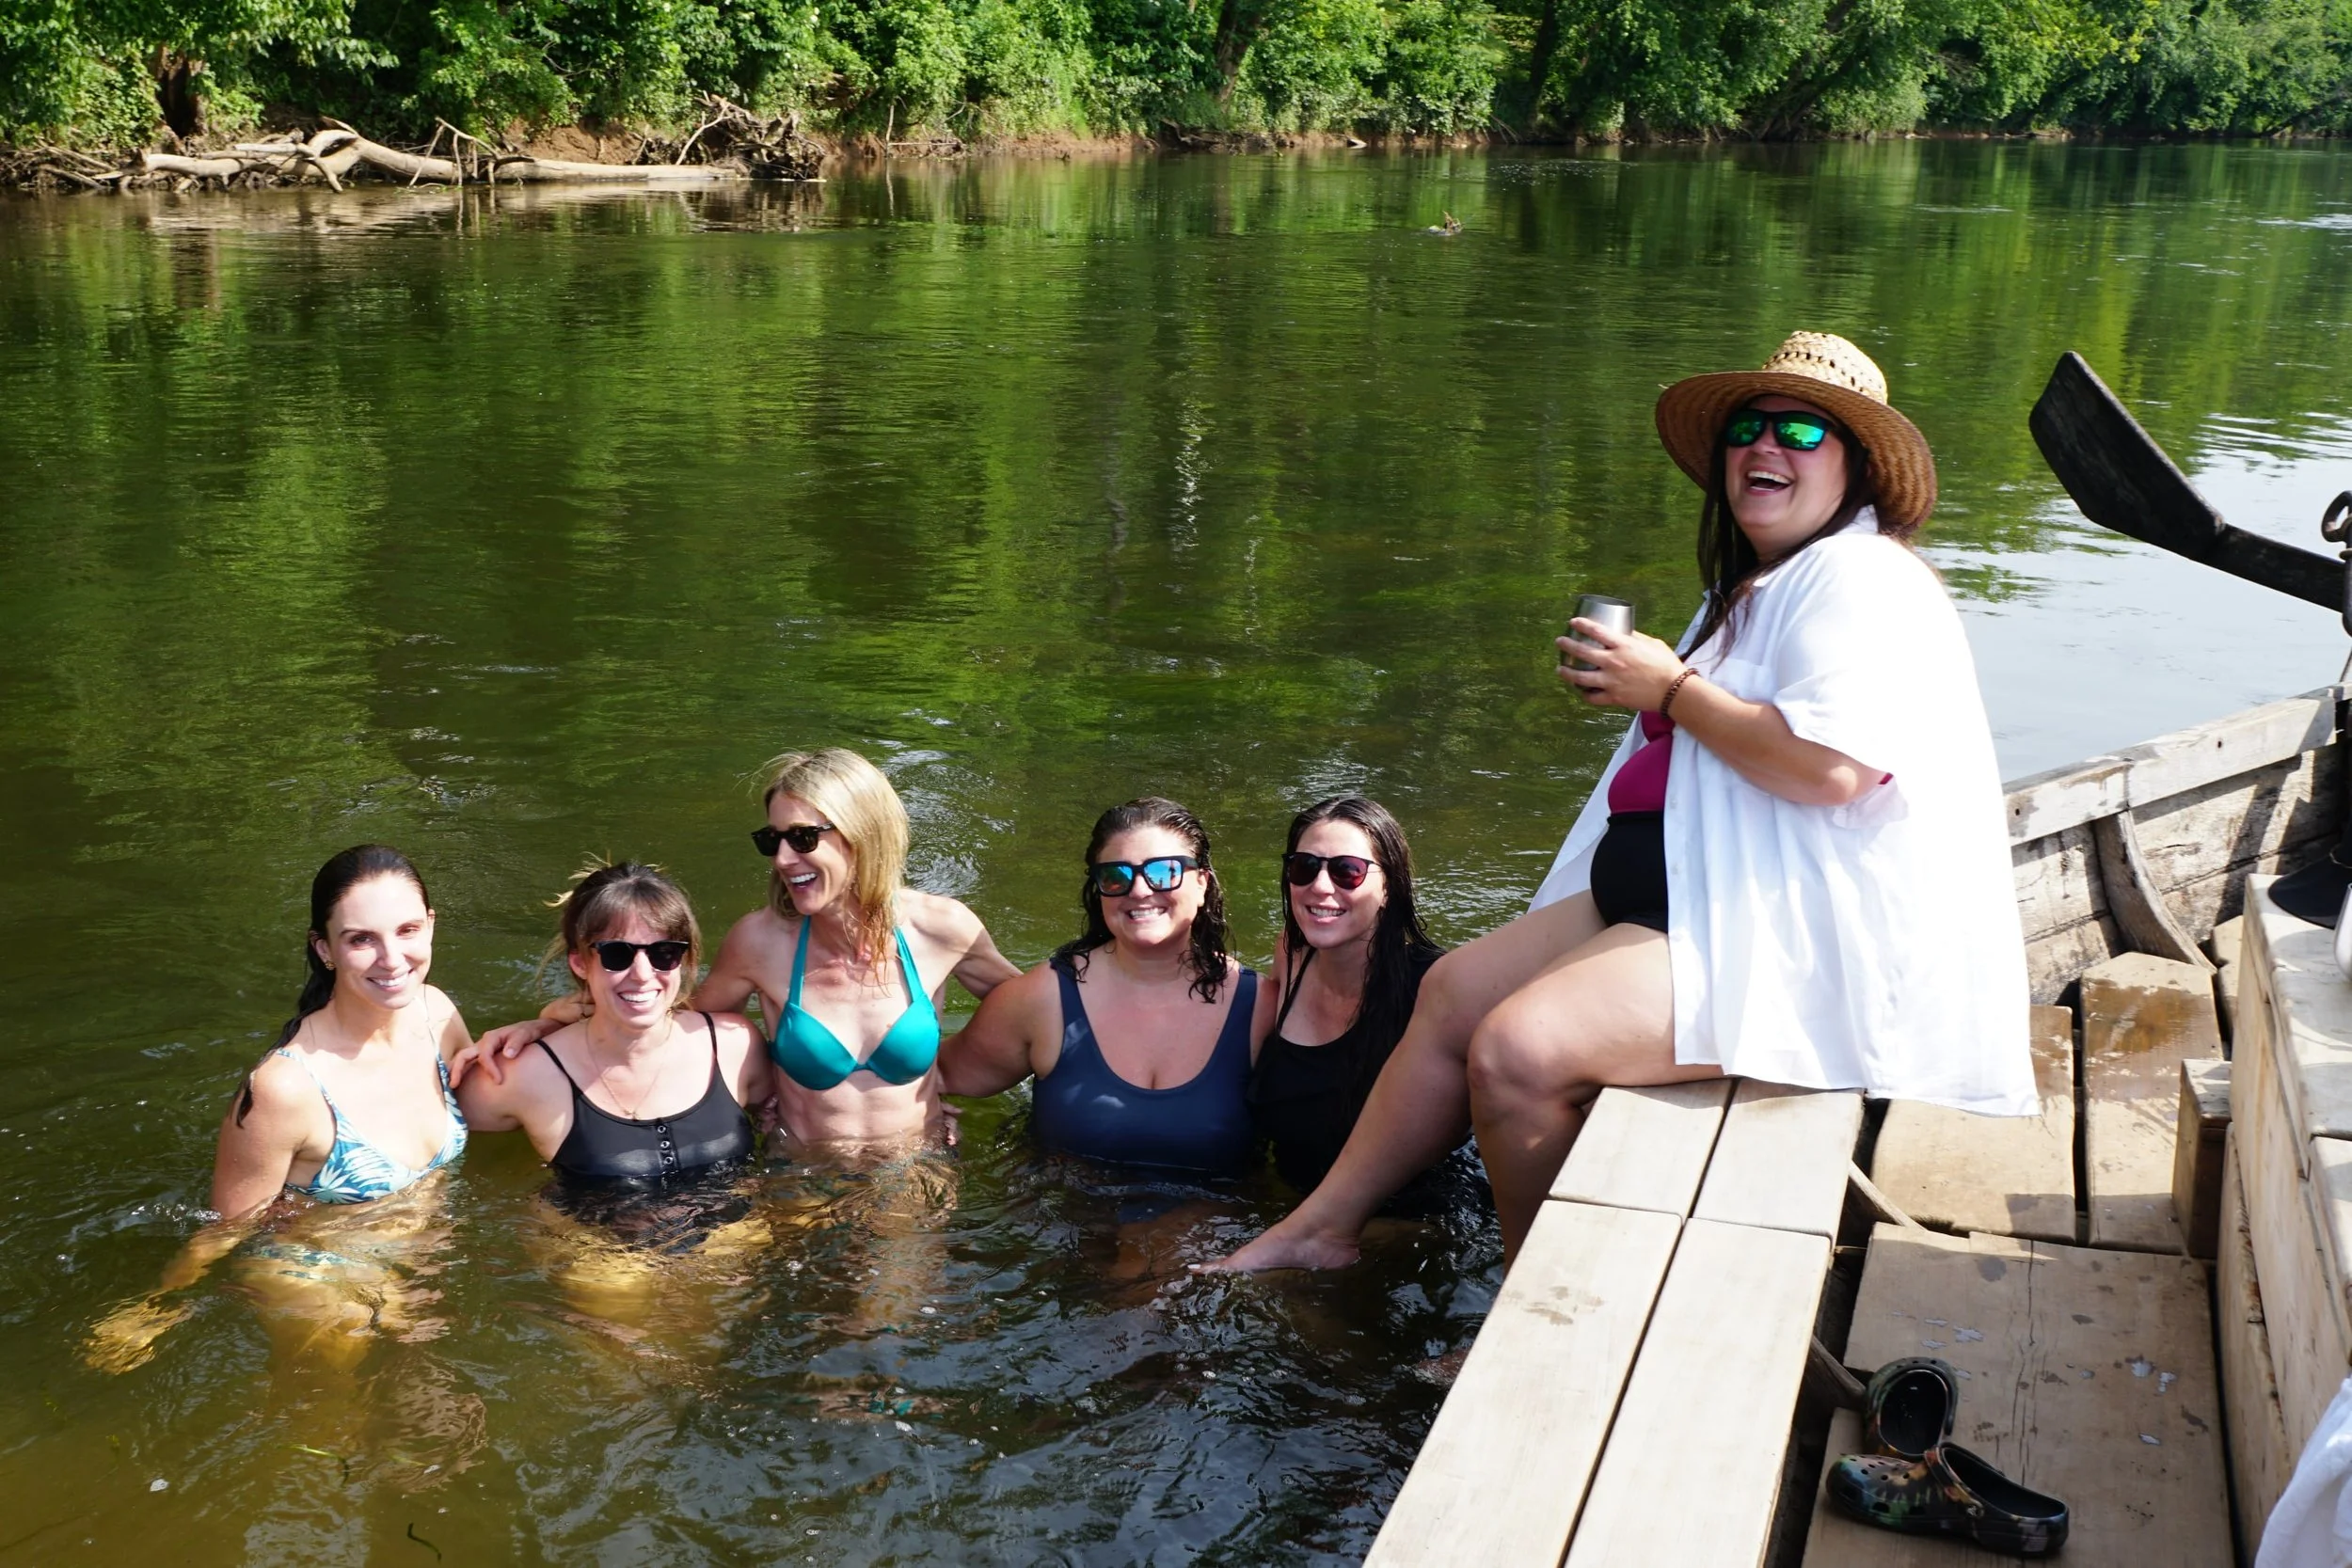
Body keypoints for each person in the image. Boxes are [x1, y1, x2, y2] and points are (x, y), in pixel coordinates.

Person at [1208, 330, 2037, 1273]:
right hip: (1683, 897)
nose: (1764, 446)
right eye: (1746, 428)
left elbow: (1833, 770)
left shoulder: (1861, 576)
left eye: (1801, 429)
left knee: (1517, 1049)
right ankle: (1320, 1226)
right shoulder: (1754, 586)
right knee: (1448, 993)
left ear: (1853, 465)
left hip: (1783, 935)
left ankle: (1541, 1300)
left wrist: (1672, 690)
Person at [474, 749, 1021, 1163]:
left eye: (803, 837)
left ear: (864, 833)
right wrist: (548, 1024)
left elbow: (1035, 1012)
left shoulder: (941, 929)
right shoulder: (760, 941)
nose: (783, 859)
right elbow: (670, 1014)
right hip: (800, 1170)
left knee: (896, 1312)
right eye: (772, 840)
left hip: (913, 1166)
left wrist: (944, 1076)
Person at [87, 844, 473, 1370]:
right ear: (325, 949)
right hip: (321, 1270)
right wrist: (159, 1306)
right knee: (338, 1399)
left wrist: (552, 1021)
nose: (392, 959)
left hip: (421, 1253)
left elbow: (489, 1092)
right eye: (361, 939)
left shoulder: (434, 1012)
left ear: (431, 925)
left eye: (407, 931)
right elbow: (226, 1227)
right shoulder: (286, 1088)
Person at [940, 798, 1274, 1177]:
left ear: (1202, 883)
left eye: (1165, 872)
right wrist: (924, 1122)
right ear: (1099, 892)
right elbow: (925, 1073)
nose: (1140, 890)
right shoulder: (1042, 999)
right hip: (1065, 1228)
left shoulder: (1262, 1007)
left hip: (1219, 1229)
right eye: (1116, 876)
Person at [456, 861, 769, 1200]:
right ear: (579, 963)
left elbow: (791, 1130)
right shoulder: (522, 1074)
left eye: (664, 953)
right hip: (599, 1251)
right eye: (617, 954)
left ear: (686, 959)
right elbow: (434, 1145)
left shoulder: (735, 1046)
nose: (643, 974)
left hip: (739, 1246)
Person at [1249, 796, 1454, 1196]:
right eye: (1304, 867)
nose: (1320, 887)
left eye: (1347, 871)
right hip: (1290, 1203)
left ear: (1389, 887)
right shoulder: (1291, 954)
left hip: (1404, 1223)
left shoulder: (1435, 983)